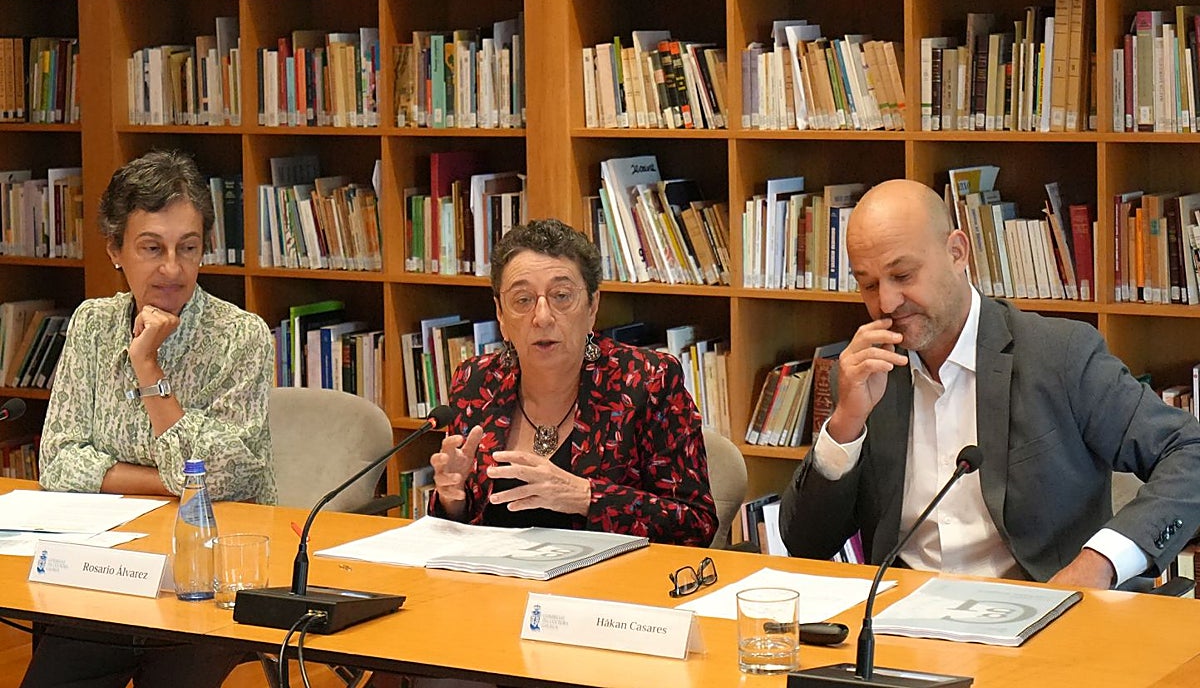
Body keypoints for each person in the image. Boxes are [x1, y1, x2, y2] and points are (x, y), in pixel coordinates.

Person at [780, 179, 1200, 590]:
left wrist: (1100, 563)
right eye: (869, 285)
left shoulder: (1059, 355)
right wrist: (846, 423)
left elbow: (1188, 452)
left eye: (903, 275)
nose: (886, 303)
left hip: (1045, 611)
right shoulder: (866, 375)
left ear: (957, 253)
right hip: (901, 616)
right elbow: (806, 543)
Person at [23, 149, 276, 688]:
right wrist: (177, 483)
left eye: (188, 247)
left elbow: (228, 480)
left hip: (209, 579)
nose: (172, 269)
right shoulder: (92, 325)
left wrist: (148, 369)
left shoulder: (241, 337)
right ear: (115, 249)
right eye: (152, 248)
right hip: (108, 568)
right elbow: (59, 464)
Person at [429, 218, 717, 547]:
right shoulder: (476, 383)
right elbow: (459, 526)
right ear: (501, 315)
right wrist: (452, 499)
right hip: (496, 575)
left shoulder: (647, 381)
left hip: (612, 577)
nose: (542, 317)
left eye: (562, 296)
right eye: (522, 300)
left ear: (592, 306)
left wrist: (585, 497)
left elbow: (696, 525)